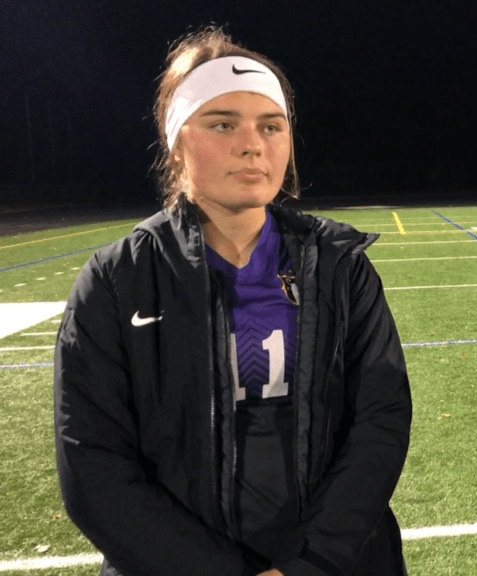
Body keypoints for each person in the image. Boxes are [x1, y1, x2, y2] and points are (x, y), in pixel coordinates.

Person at [53, 28, 412, 576]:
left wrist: (311, 562)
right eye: (222, 124)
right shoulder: (115, 281)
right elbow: (93, 462)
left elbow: (380, 423)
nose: (253, 144)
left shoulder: (339, 266)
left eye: (271, 126)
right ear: (176, 140)